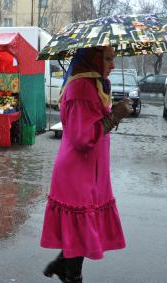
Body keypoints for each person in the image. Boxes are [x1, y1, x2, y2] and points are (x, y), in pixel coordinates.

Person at [40, 46, 133, 283]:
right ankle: (70, 274)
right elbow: (83, 138)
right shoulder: (81, 87)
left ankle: (63, 264)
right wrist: (115, 116)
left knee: (82, 228)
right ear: (93, 59)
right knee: (81, 225)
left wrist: (114, 112)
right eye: (108, 59)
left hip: (89, 170)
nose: (113, 64)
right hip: (77, 171)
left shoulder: (93, 85)